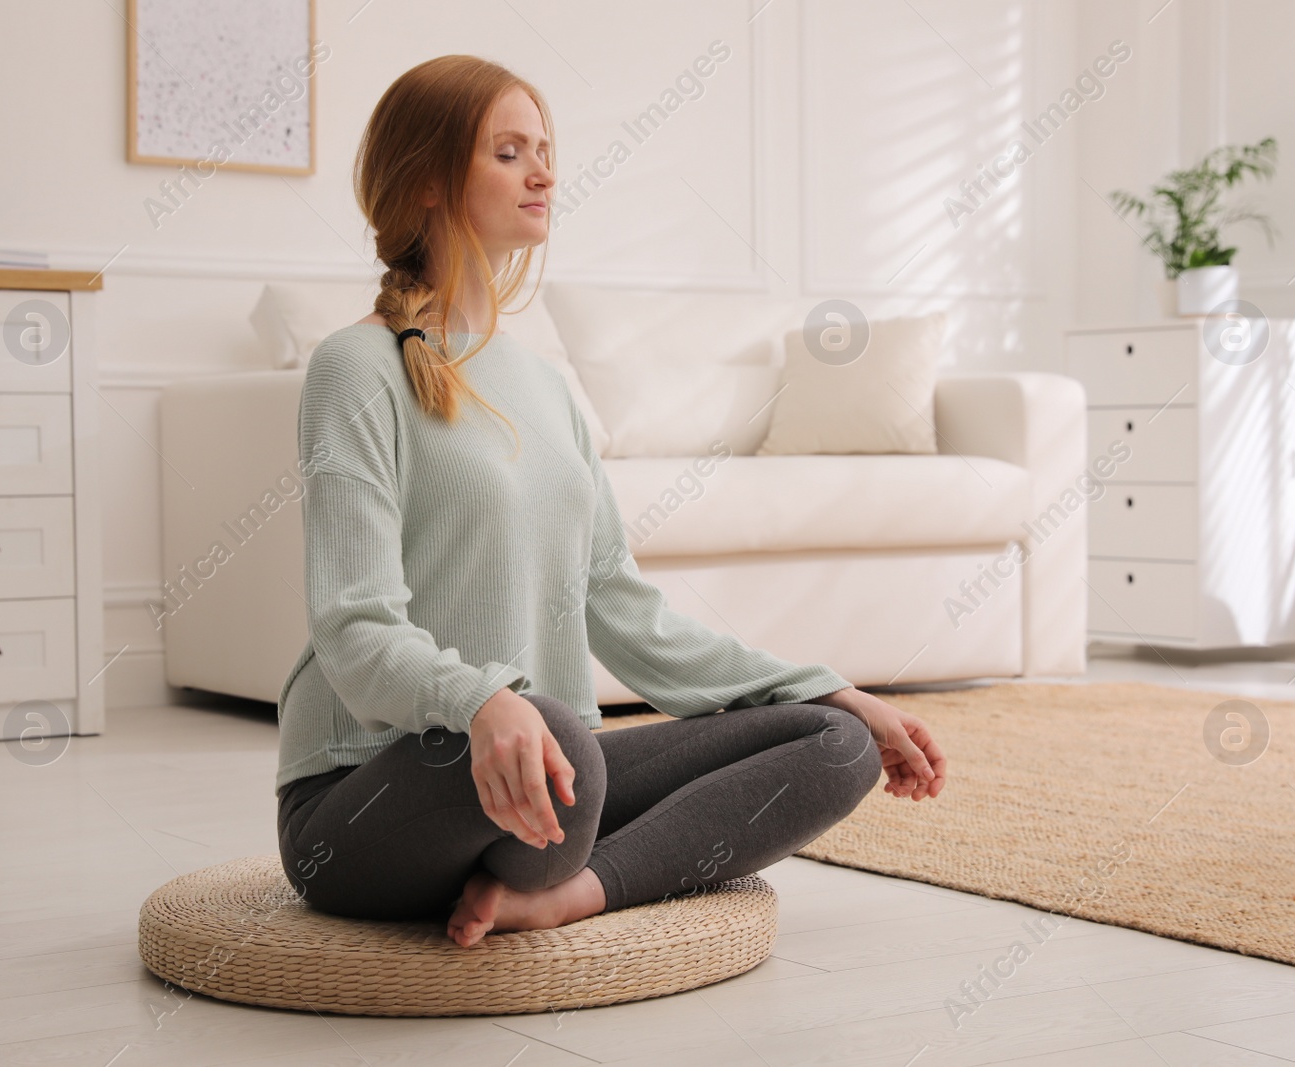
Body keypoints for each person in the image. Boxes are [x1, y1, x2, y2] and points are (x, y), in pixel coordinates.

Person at [274, 54, 948, 950]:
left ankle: (575, 892)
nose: (545, 173)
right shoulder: (353, 370)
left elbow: (623, 607)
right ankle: (558, 832)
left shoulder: (546, 387)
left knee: (833, 743)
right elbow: (353, 631)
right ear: (430, 181)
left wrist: (836, 688)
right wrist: (483, 703)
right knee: (561, 737)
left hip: (551, 787)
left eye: (545, 149)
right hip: (367, 800)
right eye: (509, 152)